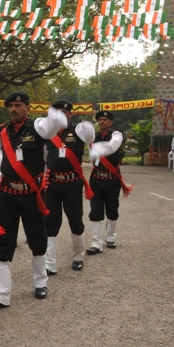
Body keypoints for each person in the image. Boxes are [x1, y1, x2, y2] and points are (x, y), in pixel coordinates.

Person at [0, 90, 66, 312]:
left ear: (28, 108)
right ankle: (1, 294)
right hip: (7, 194)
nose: (13, 109)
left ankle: (40, 283)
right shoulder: (1, 131)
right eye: (11, 106)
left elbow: (50, 128)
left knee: (37, 239)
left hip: (32, 194)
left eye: (18, 106)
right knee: (3, 242)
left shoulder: (38, 127)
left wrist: (55, 115)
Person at [43, 100, 95, 275]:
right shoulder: (48, 133)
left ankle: (78, 257)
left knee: (75, 221)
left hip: (72, 184)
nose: (61, 115)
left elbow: (89, 135)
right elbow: (44, 157)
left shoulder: (78, 131)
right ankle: (50, 264)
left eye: (64, 112)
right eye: (57, 112)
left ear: (70, 114)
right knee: (50, 223)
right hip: (52, 184)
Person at [86, 110, 132, 254]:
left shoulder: (116, 136)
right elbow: (92, 157)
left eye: (105, 120)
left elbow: (112, 146)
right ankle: (96, 243)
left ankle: (111, 237)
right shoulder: (93, 137)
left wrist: (98, 149)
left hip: (112, 180)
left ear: (111, 122)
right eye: (100, 120)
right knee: (95, 211)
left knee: (112, 209)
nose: (102, 122)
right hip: (96, 180)